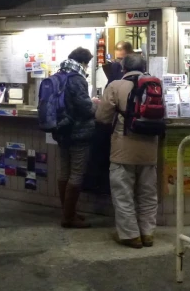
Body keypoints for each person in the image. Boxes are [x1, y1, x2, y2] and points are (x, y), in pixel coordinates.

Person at [96, 53, 158, 249]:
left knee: (123, 194)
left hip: (123, 149)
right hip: (150, 149)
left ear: (123, 69)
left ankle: (131, 235)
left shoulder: (116, 86)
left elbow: (102, 117)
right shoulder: (155, 85)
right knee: (148, 194)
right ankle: (147, 234)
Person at [55, 47, 96, 229]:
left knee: (65, 172)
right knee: (76, 174)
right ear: (84, 62)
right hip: (79, 132)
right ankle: (68, 217)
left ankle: (68, 212)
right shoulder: (77, 78)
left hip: (62, 131)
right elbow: (84, 108)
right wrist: (94, 104)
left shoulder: (59, 74)